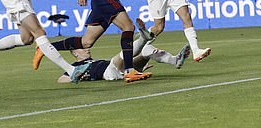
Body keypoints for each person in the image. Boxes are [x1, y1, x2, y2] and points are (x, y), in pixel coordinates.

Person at [57, 20, 191, 83]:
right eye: (82, 47)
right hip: (108, 73)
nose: (87, 48)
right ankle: (143, 38)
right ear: (74, 53)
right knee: (120, 55)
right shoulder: (74, 67)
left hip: (120, 69)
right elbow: (61, 79)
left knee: (146, 50)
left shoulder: (94, 60)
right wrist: (79, 76)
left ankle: (175, 60)